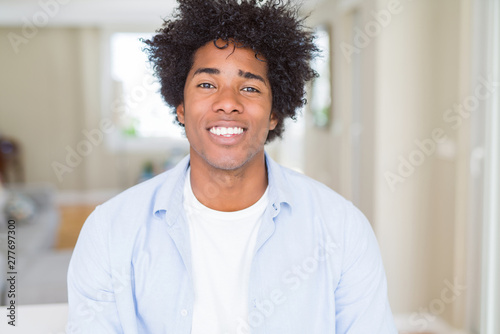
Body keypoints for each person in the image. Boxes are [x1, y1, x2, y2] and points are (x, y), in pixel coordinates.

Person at [67, 0, 397, 333]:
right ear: (180, 106)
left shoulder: (341, 229)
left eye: (250, 87)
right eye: (207, 84)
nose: (228, 103)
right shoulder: (110, 232)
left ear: (273, 114)